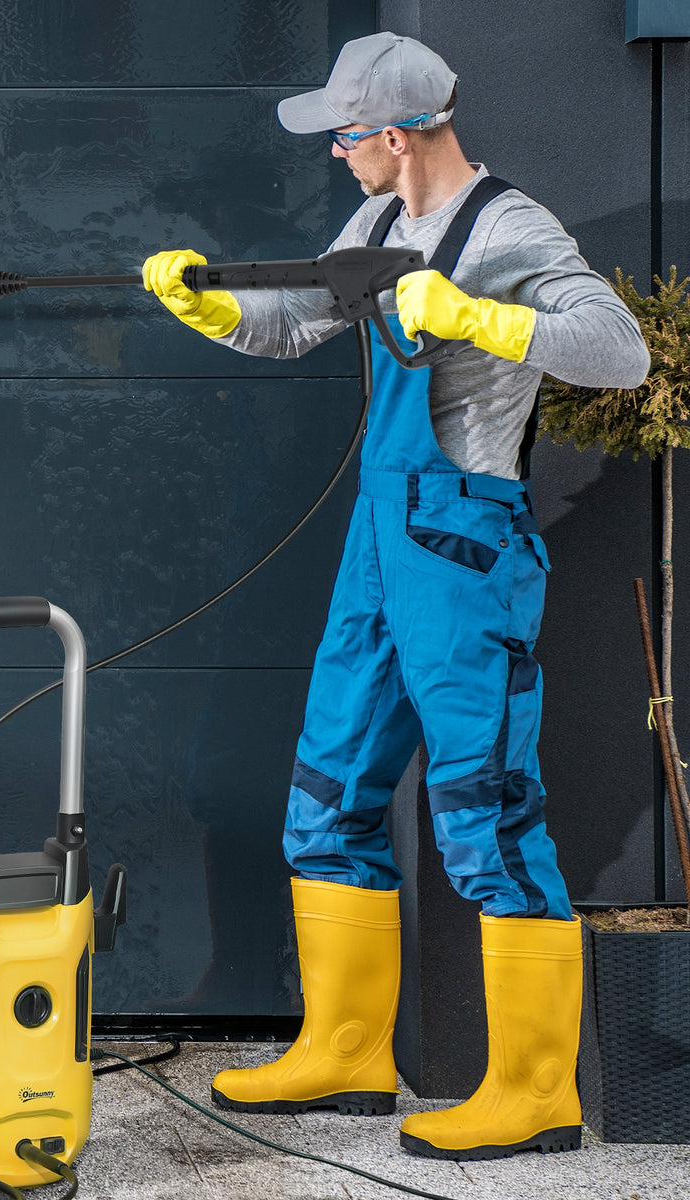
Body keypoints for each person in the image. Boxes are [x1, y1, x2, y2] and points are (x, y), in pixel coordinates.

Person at [143, 31, 649, 1161]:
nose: (336, 153)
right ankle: (348, 1052)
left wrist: (480, 317)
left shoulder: (509, 229)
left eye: (346, 136)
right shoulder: (373, 225)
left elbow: (622, 355)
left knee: (485, 809)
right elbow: (296, 326)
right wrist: (209, 304)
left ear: (402, 132)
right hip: (379, 541)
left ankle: (535, 1093)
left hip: (464, 550)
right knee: (327, 791)